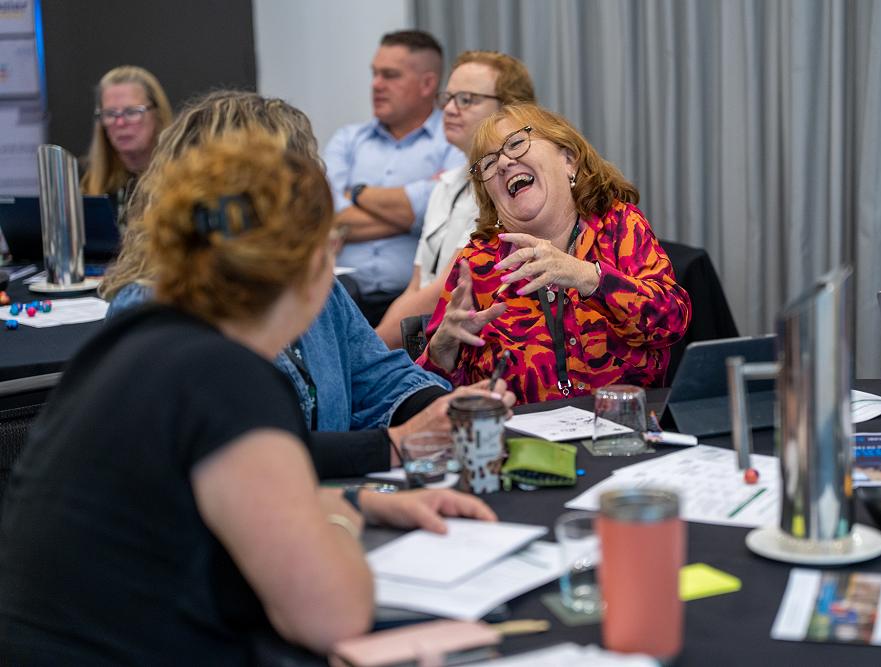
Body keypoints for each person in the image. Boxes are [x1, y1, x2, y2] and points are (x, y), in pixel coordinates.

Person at [0, 131, 496, 663]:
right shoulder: (228, 378)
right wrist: (340, 520)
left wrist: (361, 502)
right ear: (317, 261)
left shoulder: (137, 339)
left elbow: (208, 503)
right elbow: (332, 615)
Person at [100, 90, 514, 478]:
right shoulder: (156, 311)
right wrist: (398, 443)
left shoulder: (304, 281)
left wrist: (446, 410)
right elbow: (244, 458)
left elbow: (378, 376)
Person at [418, 104, 693, 404]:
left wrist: (587, 277)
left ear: (569, 161)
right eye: (489, 163)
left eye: (516, 143)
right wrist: (442, 352)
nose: (504, 163)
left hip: (619, 425)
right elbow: (425, 399)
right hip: (517, 431)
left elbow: (673, 322)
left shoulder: (619, 226)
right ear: (491, 200)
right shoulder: (477, 264)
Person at [375, 50, 536, 349]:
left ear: (509, 109)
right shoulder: (446, 185)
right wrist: (374, 347)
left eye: (466, 99)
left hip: (475, 343)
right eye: (447, 98)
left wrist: (373, 349)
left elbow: (446, 289)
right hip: (423, 338)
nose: (449, 109)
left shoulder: (512, 188)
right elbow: (417, 285)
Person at [323, 30, 465, 326]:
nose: (376, 84)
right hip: (340, 298)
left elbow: (447, 212)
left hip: (420, 301)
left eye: (390, 75)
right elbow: (327, 216)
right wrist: (411, 217)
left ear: (427, 84)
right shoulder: (347, 140)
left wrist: (356, 194)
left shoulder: (454, 141)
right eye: (374, 74)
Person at [80, 65, 173, 223]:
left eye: (132, 112)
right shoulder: (85, 183)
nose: (120, 123)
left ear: (157, 114)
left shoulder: (183, 179)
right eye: (110, 114)